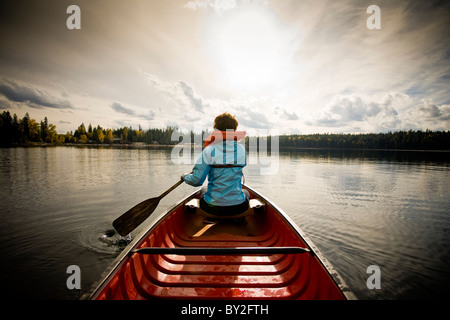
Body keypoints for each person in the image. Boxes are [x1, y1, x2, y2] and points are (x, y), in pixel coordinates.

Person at [181, 112, 249, 216]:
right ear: (234, 130)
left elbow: (197, 181)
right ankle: (237, 218)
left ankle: (212, 218)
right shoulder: (241, 150)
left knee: (204, 189)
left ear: (216, 129)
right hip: (239, 207)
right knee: (246, 193)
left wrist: (185, 176)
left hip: (212, 208)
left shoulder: (209, 150)